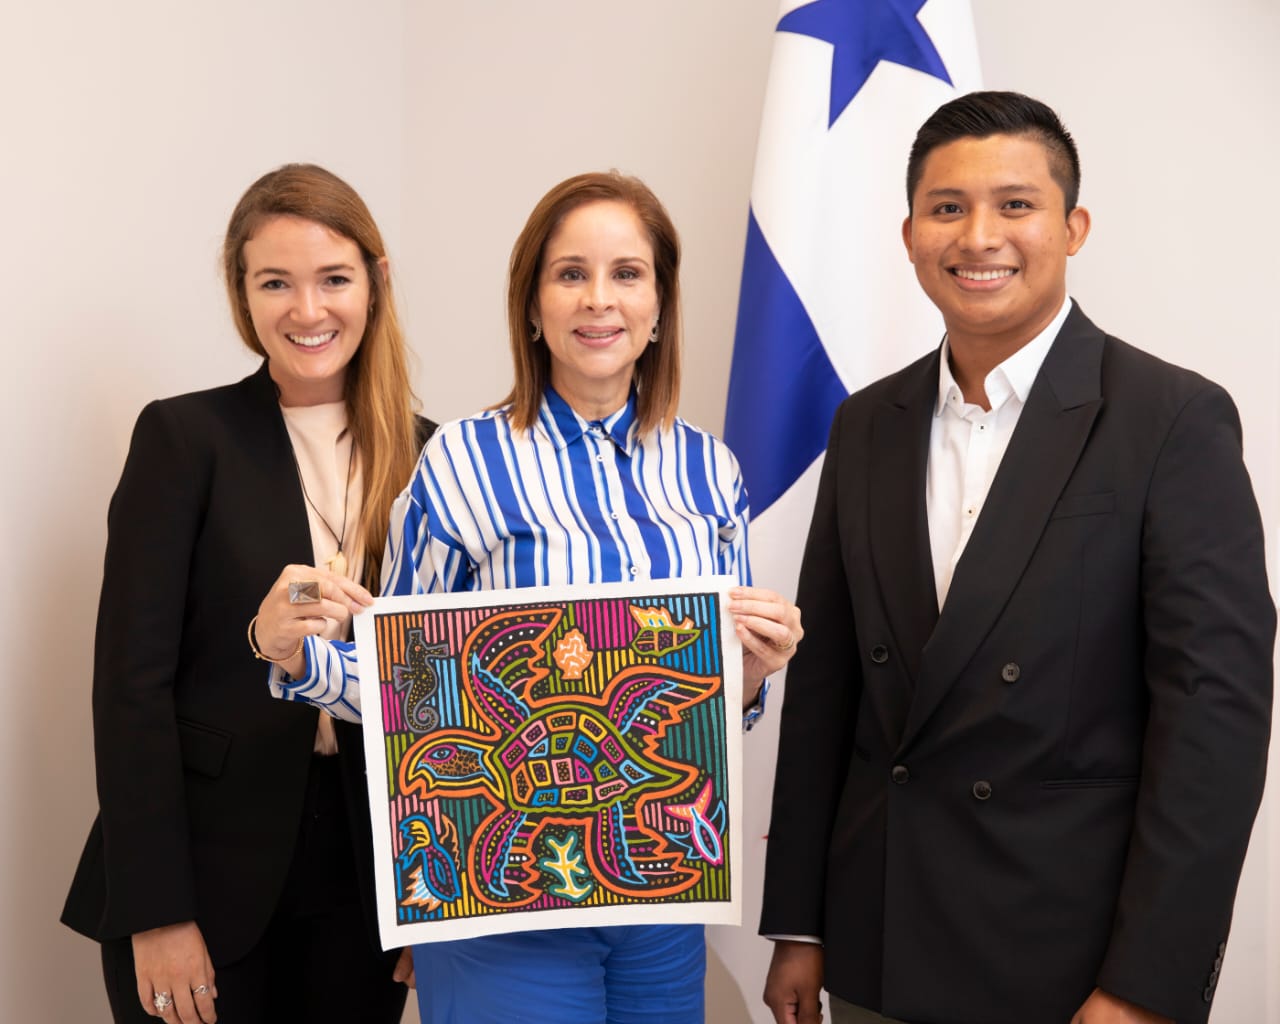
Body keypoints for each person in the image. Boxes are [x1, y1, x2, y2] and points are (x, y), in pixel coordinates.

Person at [760, 91, 1274, 1024]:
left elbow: (1215, 726)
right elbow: (827, 692)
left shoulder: (1170, 419)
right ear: (910, 233)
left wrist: (1144, 986)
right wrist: (800, 921)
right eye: (948, 208)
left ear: (1073, 227)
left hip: (1071, 963)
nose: (979, 236)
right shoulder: (866, 423)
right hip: (878, 939)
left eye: (1016, 205)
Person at [253, 170, 804, 1023]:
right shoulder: (462, 463)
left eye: (627, 274)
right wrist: (294, 657)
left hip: (659, 888)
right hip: (501, 900)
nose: (599, 300)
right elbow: (409, 691)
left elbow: (704, 707)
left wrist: (758, 674)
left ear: (659, 306)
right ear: (534, 305)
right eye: (570, 273)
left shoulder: (711, 470)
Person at [61, 163, 432, 1024]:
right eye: (276, 283)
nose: (308, 311)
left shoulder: (436, 455)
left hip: (366, 877)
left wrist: (435, 902)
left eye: (334, 279)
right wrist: (157, 909)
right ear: (243, 295)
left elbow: (445, 701)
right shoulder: (184, 438)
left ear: (375, 284)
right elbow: (129, 689)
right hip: (200, 867)